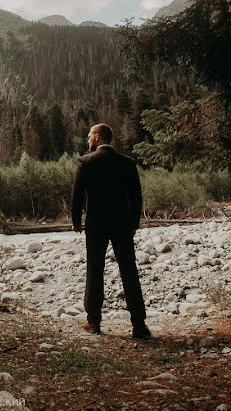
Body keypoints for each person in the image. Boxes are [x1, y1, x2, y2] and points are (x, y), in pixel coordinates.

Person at [71, 123, 150, 338]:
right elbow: (136, 197)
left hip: (96, 225)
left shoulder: (86, 162)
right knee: (129, 271)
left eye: (89, 136)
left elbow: (77, 196)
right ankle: (139, 325)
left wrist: (76, 221)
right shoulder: (127, 163)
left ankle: (94, 322)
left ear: (97, 138)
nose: (87, 139)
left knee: (95, 271)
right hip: (122, 224)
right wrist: (133, 223)